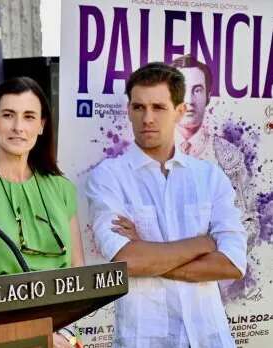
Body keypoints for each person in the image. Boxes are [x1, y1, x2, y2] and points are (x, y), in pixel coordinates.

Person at [86, 62, 247, 347]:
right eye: (138, 107)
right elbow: (128, 261)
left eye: (158, 107)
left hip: (209, 338)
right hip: (144, 339)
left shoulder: (210, 177)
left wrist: (148, 254)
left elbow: (232, 263)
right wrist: (203, 243)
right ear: (129, 111)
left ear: (179, 111)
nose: (147, 118)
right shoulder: (108, 177)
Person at [0, 76, 84, 348]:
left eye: (29, 117)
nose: (18, 127)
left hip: (62, 337)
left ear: (41, 126)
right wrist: (37, 338)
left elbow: (78, 276)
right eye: (8, 115)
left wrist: (63, 336)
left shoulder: (62, 188)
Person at [171, 55, 250, 213]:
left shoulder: (229, 157)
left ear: (208, 96)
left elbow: (247, 219)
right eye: (181, 90)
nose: (189, 100)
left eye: (197, 90)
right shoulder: (148, 152)